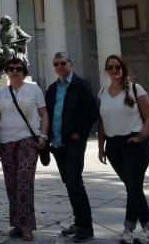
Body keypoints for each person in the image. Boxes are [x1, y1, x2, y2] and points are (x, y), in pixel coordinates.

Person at [97, 54, 149, 244]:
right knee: (134, 187)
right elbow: (101, 122)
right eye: (110, 68)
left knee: (133, 186)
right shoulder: (102, 93)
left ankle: (128, 229)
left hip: (135, 143)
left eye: (117, 67)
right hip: (113, 146)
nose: (114, 71)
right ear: (106, 70)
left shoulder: (135, 89)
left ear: (123, 69)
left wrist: (141, 137)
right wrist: (101, 147)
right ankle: (148, 228)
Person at [0, 57, 49, 241]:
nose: (15, 71)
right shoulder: (1, 93)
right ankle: (17, 223)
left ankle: (27, 226)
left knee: (24, 181)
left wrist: (44, 136)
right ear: (7, 72)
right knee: (11, 184)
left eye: (18, 68)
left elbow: (44, 114)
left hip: (27, 141)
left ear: (24, 71)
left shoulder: (33, 89)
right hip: (6, 141)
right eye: (11, 68)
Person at [45, 51, 98, 242]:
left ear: (70, 64)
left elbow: (92, 110)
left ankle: (86, 227)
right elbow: (48, 114)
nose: (59, 67)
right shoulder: (52, 89)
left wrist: (81, 132)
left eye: (62, 63)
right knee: (69, 182)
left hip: (73, 142)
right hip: (57, 143)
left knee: (75, 181)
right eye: (56, 64)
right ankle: (78, 221)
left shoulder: (80, 85)